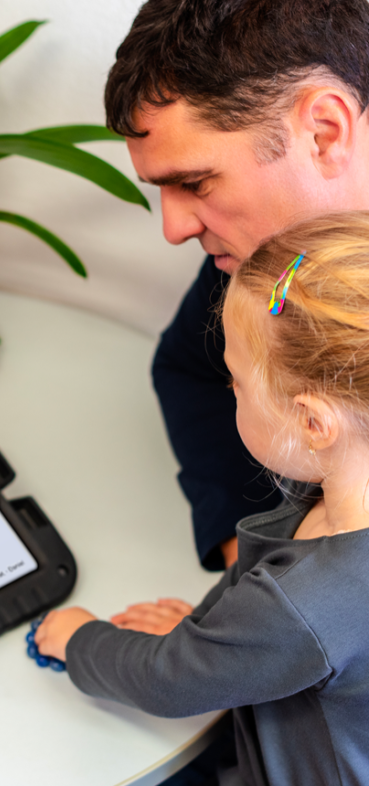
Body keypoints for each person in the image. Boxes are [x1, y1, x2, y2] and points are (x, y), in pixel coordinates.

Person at [37, 212, 369, 786]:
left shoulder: (302, 607)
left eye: (235, 382)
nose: (229, 390)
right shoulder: (329, 512)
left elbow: (169, 682)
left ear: (312, 422)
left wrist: (78, 640)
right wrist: (215, 634)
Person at [103, 0, 369, 586]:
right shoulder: (269, 260)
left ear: (324, 134)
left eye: (195, 183)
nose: (174, 230)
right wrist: (251, 574)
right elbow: (187, 369)